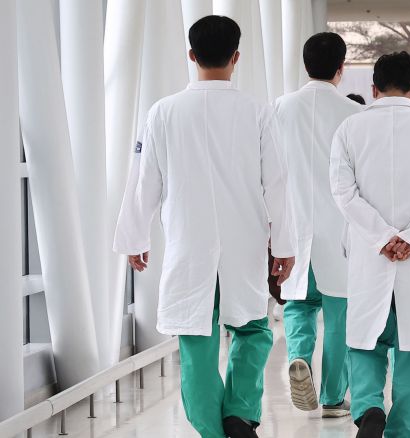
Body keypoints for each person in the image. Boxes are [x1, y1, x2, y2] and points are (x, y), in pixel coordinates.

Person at [113, 16, 296, 438]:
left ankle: (214, 431)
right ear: (237, 57)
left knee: (196, 339)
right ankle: (239, 413)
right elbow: (277, 183)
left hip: (188, 242)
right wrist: (284, 245)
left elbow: (146, 181)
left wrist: (136, 236)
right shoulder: (257, 111)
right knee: (253, 329)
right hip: (244, 240)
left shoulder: (163, 112)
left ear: (191, 56)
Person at [330, 51, 410, 438]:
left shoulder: (349, 129)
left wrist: (381, 236)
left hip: (372, 255)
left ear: (373, 89)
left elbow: (343, 192)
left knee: (366, 342)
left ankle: (369, 407)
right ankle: (404, 431)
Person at [273, 32, 362, 418]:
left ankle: (298, 356)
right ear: (341, 68)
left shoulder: (280, 108)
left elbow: (269, 168)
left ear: (305, 64)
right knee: (340, 313)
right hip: (340, 228)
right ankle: (332, 397)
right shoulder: (354, 113)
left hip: (294, 224)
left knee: (299, 303)